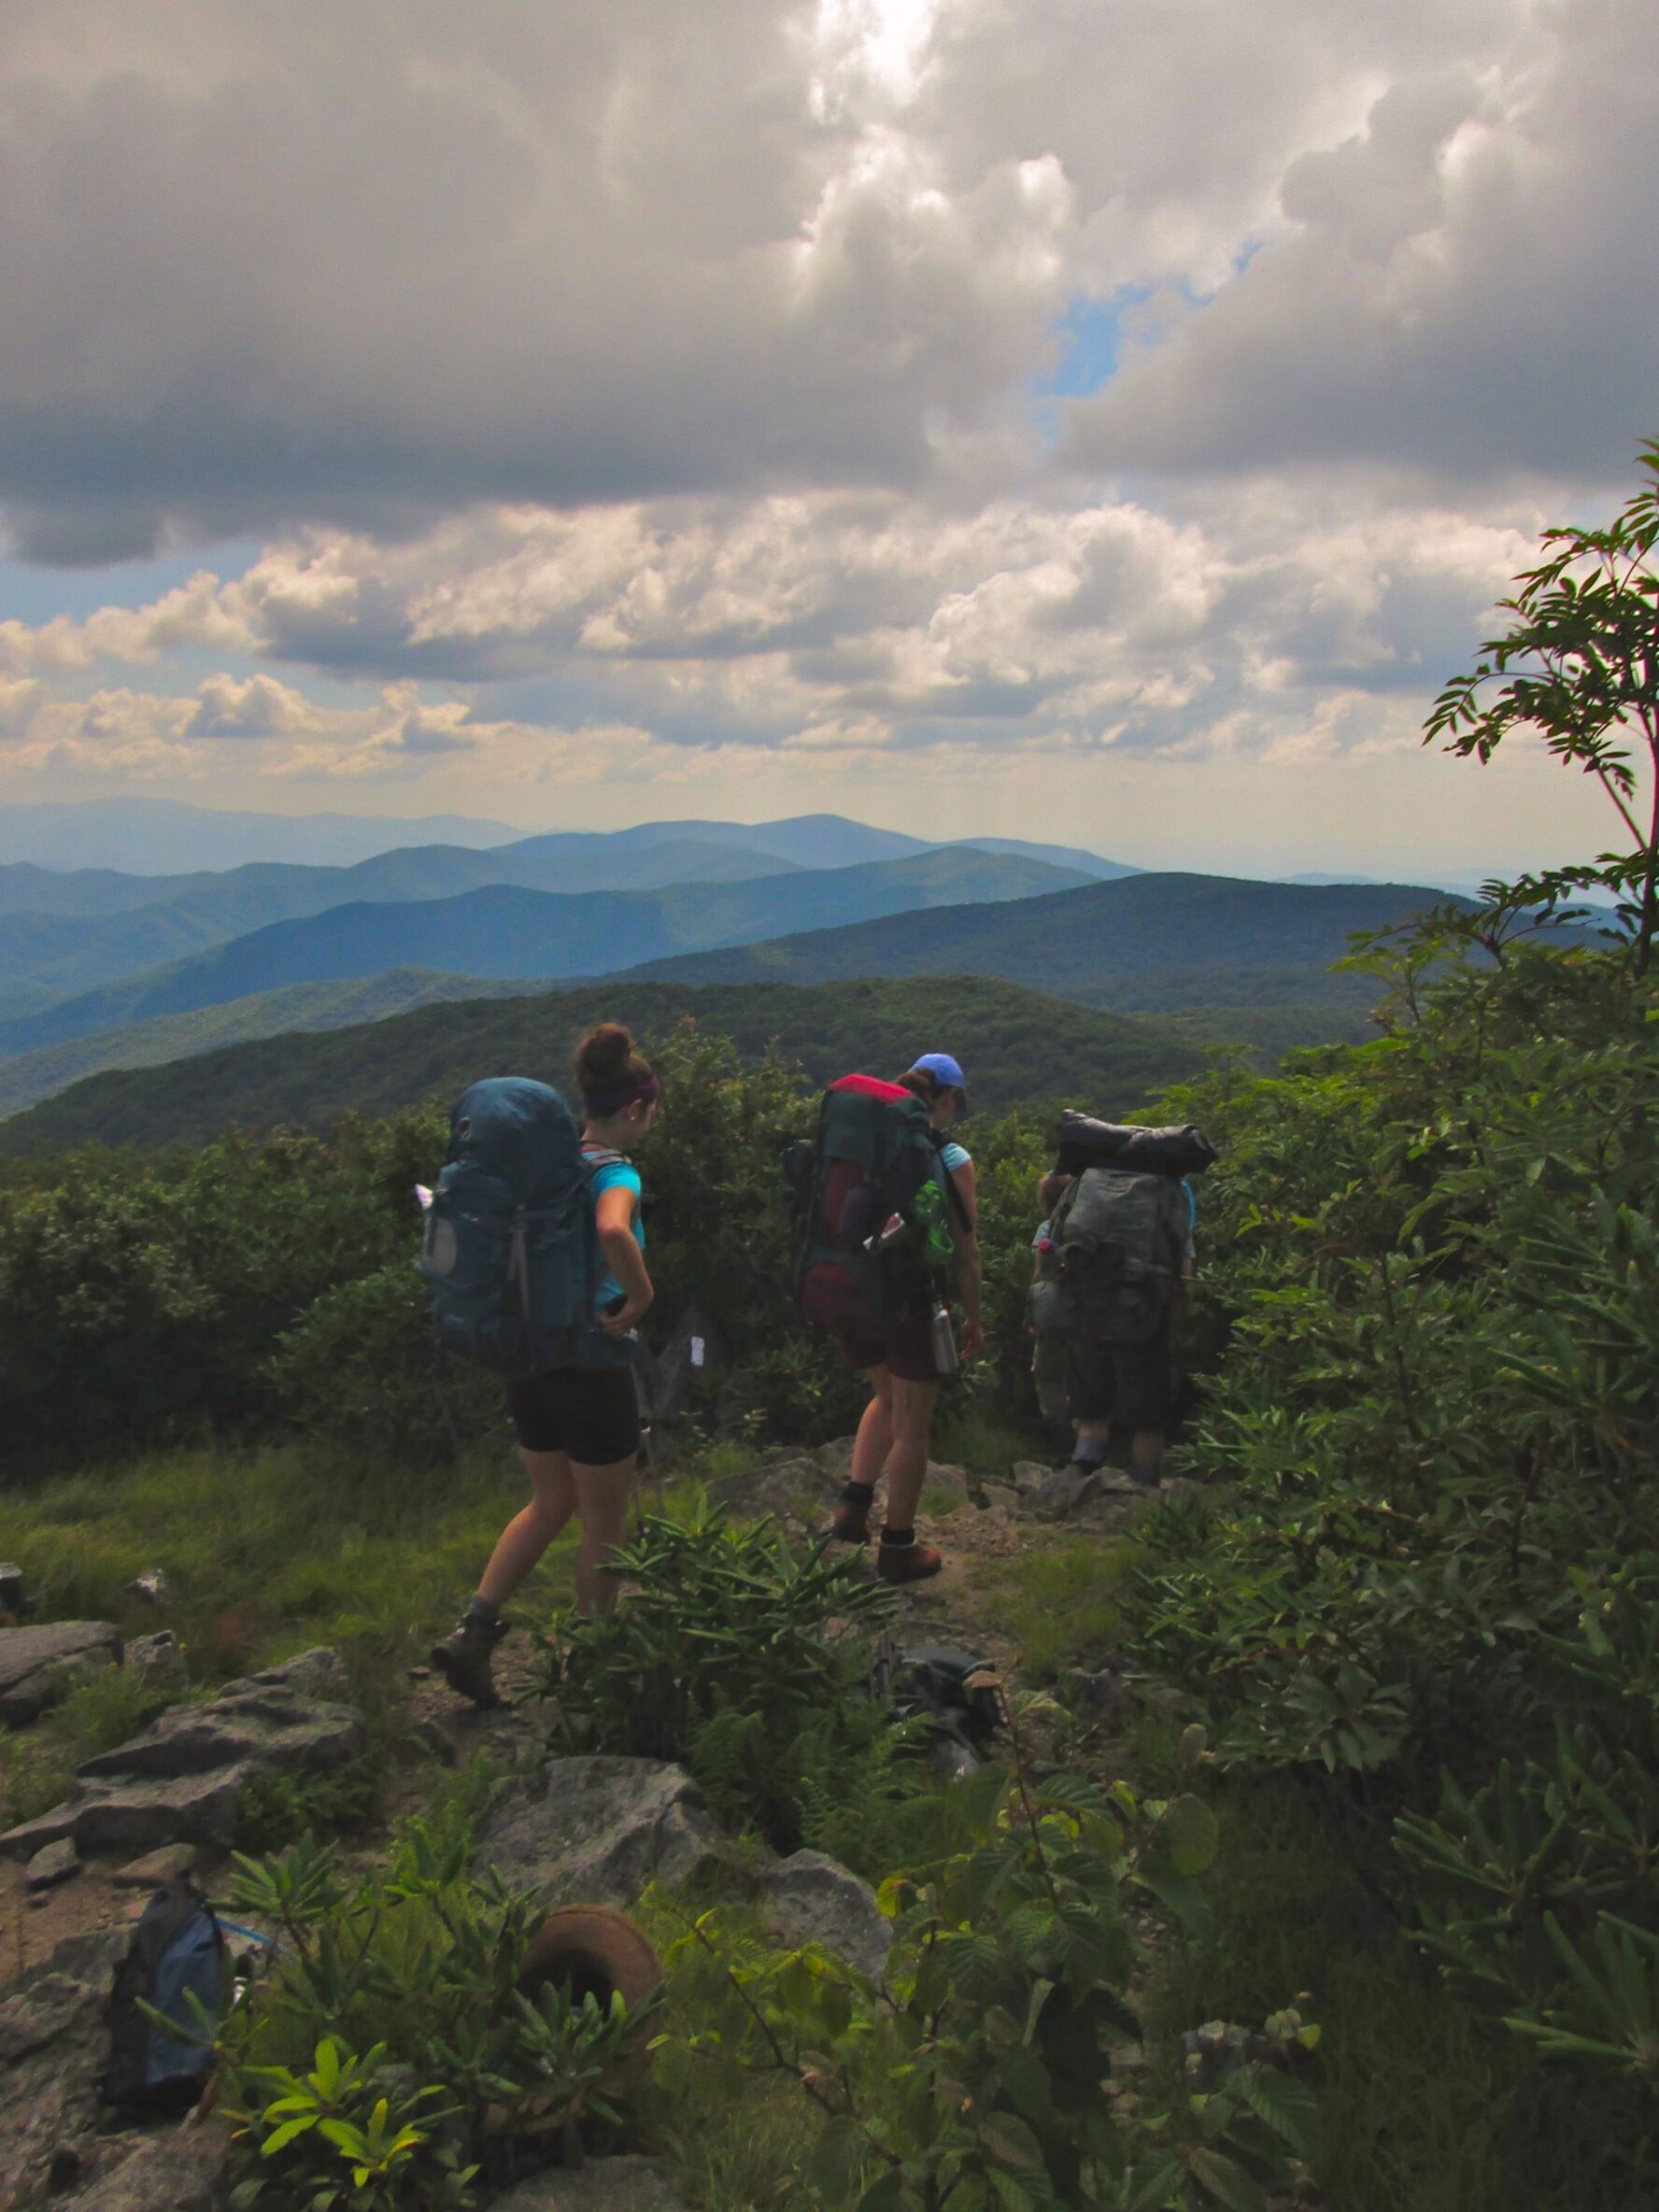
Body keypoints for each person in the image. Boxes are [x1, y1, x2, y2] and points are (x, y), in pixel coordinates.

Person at [431, 1022, 659, 1707]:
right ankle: (593, 1671)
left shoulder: (546, 1174)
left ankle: (473, 1632)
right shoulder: (614, 1172)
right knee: (604, 1525)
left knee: (550, 1500)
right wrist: (642, 1293)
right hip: (591, 1366)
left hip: (529, 1363)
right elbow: (613, 1228)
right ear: (638, 1109)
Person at [829, 1053, 985, 1583]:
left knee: (886, 1398)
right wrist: (975, 1317)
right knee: (914, 1429)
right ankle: (898, 1546)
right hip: (912, 1300)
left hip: (860, 1295)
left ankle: (852, 1507)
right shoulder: (950, 1158)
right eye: (954, 1102)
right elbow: (967, 1251)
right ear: (943, 1100)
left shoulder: (868, 1144)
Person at [1035, 1160, 1196, 1488]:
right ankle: (1143, 1493)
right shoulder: (1164, 1194)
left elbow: (1052, 1254)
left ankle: (1080, 1483)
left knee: (1092, 1411)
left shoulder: (1087, 1190)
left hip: (1088, 1310)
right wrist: (1180, 1314)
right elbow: (1185, 1271)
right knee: (1149, 1420)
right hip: (1146, 1316)